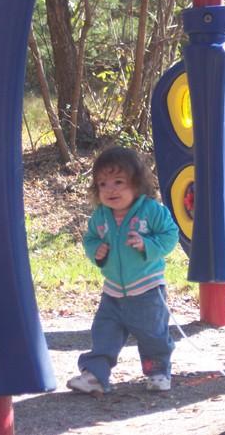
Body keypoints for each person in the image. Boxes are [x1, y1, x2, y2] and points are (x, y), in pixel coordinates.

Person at [66, 146, 179, 394]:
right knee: (104, 333)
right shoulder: (100, 217)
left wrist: (147, 244)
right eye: (103, 184)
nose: (111, 189)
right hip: (113, 292)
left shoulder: (152, 211)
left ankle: (158, 372)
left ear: (137, 184)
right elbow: (91, 238)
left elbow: (170, 235)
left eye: (119, 182)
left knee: (153, 335)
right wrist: (96, 250)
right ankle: (95, 375)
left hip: (147, 290)